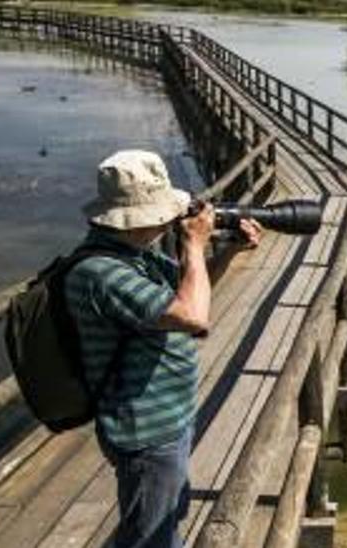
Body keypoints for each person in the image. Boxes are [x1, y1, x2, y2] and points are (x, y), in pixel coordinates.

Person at [66, 150, 261, 548]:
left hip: (169, 419)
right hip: (147, 431)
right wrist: (193, 245)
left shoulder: (136, 256)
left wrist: (228, 250)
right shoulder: (101, 272)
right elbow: (194, 316)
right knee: (148, 536)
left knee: (165, 519)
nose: (168, 218)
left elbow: (190, 295)